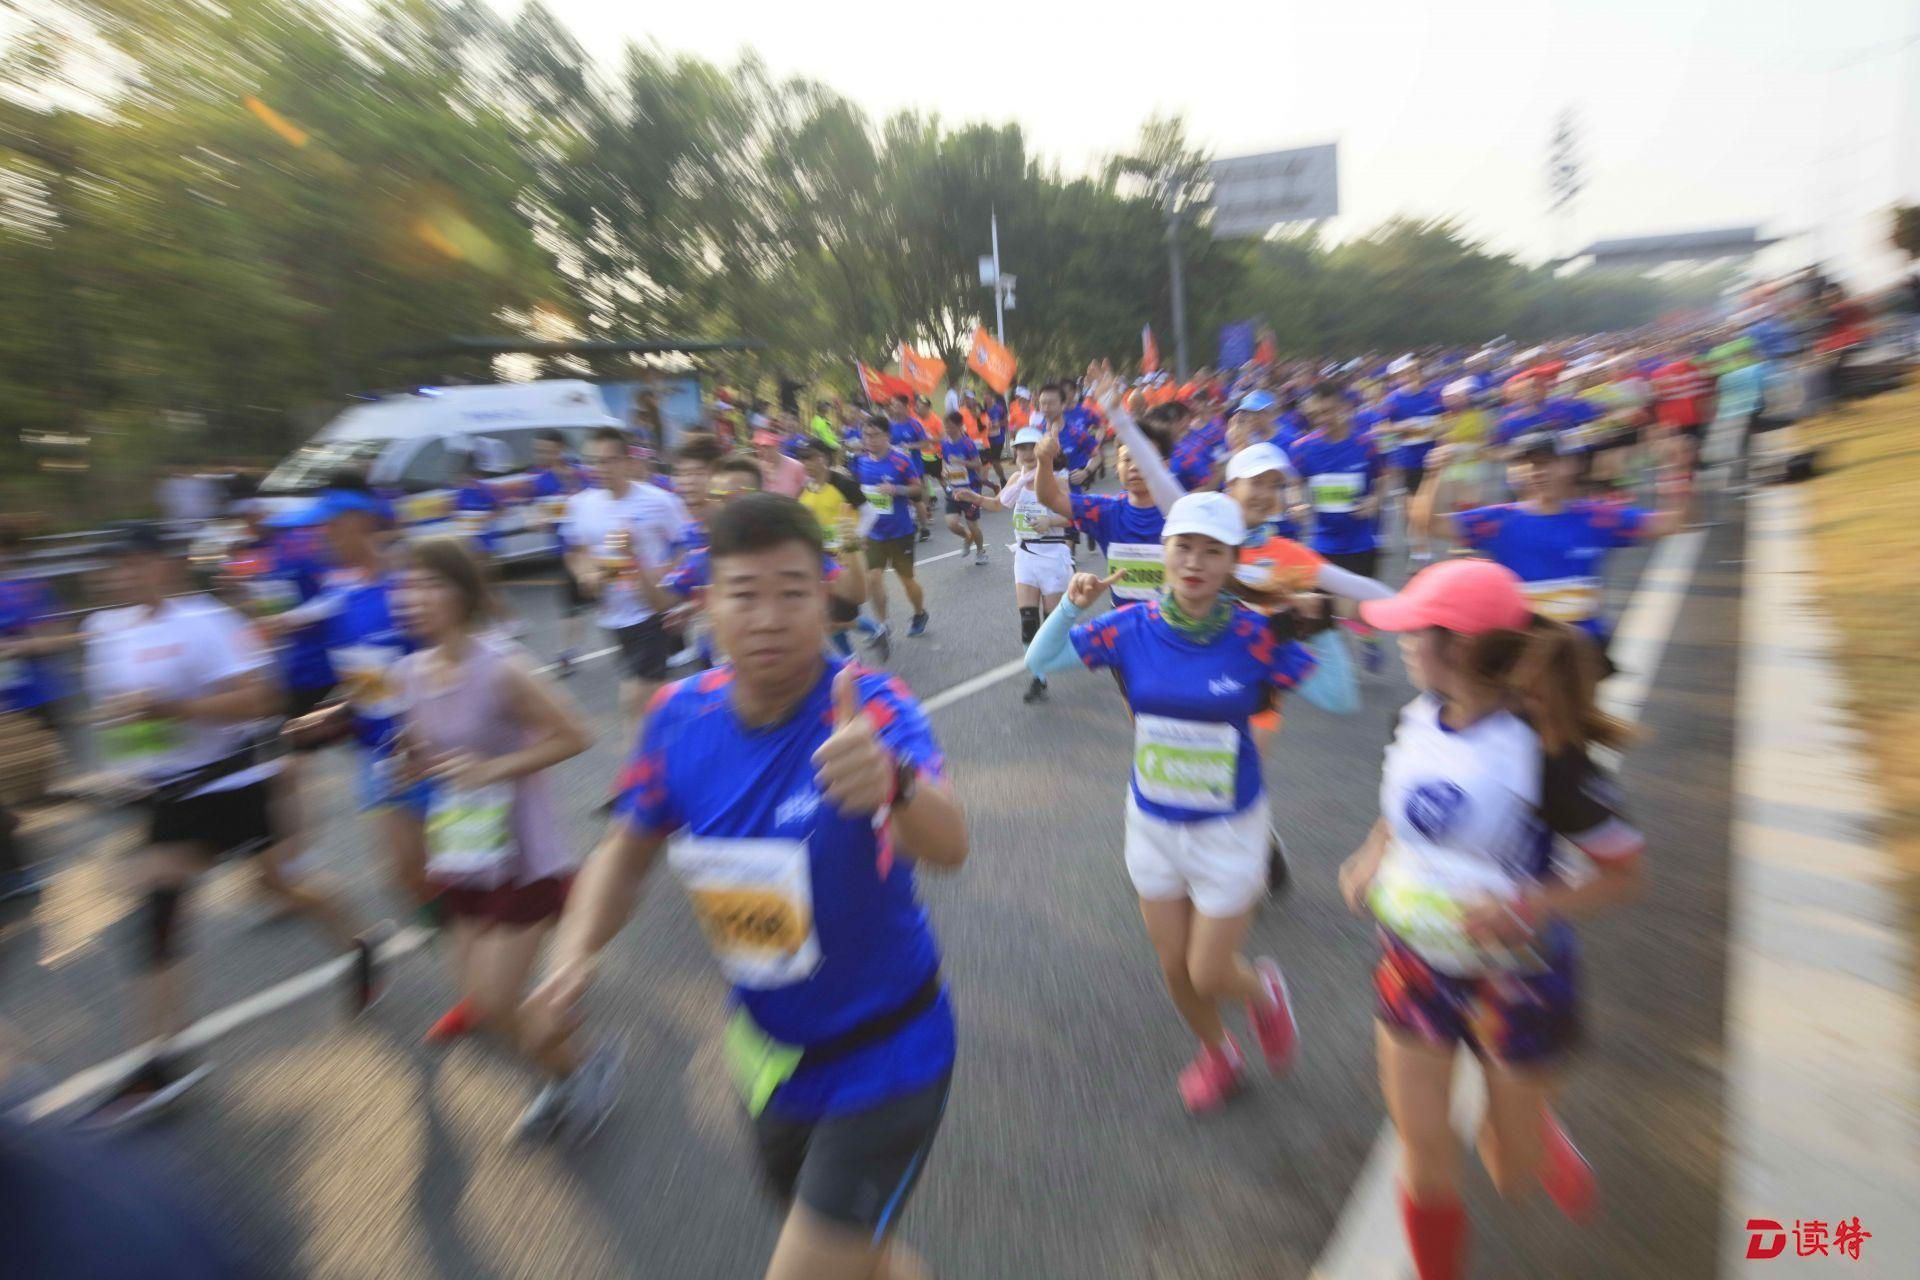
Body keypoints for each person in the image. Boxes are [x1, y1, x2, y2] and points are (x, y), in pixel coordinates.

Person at [522, 493, 967, 1280]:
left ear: (822, 598)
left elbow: (951, 845)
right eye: (744, 594)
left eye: (792, 593)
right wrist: (573, 952)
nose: (768, 618)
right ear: (708, 604)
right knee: (856, 1257)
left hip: (889, 1054)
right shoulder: (675, 716)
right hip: (769, 1059)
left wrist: (893, 782)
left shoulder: (871, 706)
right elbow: (625, 850)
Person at [1336, 558, 1645, 1280]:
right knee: (1423, 1148)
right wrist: (1373, 851)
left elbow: (1625, 873)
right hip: (1414, 964)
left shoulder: (1547, 754)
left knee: (1512, 1172)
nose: (1404, 640)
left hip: (1518, 980)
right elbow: (1405, 806)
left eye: (1418, 629)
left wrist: (1530, 904)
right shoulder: (1412, 719)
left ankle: (1535, 1131)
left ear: (1465, 647)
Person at [76, 524, 376, 1128]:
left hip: (232, 783)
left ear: (164, 565)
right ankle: (160, 1058)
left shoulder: (207, 622)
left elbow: (261, 699)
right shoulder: (106, 632)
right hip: (171, 795)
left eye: (133, 563)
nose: (123, 576)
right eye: (116, 567)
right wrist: (124, 762)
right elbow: (121, 718)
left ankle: (359, 944)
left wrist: (174, 708)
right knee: (168, 910)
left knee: (268, 887)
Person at [1023, 492, 1309, 1112]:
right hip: (1152, 825)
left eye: (1212, 551)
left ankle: (1263, 993)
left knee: (1209, 970)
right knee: (1175, 966)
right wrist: (1070, 608)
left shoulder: (1255, 634)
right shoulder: (1133, 626)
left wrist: (1316, 622)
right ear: (1165, 552)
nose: (1195, 562)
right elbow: (1039, 659)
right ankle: (1219, 1054)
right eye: (1184, 547)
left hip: (1229, 830)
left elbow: (1332, 692)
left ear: (1232, 560)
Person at [386, 538, 612, 1135]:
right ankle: (564, 1066)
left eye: (430, 584)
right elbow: (428, 754)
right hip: (462, 853)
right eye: (408, 586)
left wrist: (493, 769)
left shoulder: (502, 668)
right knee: (481, 1002)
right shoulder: (407, 674)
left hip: (522, 856)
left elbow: (576, 734)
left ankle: (581, 1067)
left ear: (463, 593)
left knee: (495, 997)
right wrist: (410, 766)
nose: (415, 598)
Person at [1409, 432, 1688, 653]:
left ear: (1570, 465)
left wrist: (1677, 470)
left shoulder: (1597, 518)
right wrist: (1434, 474)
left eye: (1545, 463)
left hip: (1580, 651)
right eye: (1527, 464)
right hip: (1521, 649)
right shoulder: (1498, 521)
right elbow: (1429, 524)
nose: (1536, 471)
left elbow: (1672, 522)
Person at [564, 427, 684, 730]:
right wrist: (585, 574)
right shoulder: (581, 504)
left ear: (627, 461)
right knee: (649, 695)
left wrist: (667, 576)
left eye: (608, 461)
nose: (599, 468)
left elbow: (685, 545)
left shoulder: (659, 501)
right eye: (593, 461)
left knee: (635, 696)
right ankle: (666, 742)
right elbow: (577, 551)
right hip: (611, 614)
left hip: (650, 610)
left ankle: (640, 753)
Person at [950, 425, 1073, 704]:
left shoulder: (1057, 480)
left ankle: (1073, 649)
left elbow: (1074, 515)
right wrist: (973, 497)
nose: (1026, 453)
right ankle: (1039, 678)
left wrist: (1050, 521)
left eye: (1031, 448)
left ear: (1042, 452)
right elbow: (998, 504)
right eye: (1021, 448)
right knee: (1028, 621)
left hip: (1053, 555)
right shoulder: (1017, 479)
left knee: (1052, 624)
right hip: (1026, 555)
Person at [1288, 382, 1389, 673]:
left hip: (1361, 541)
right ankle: (1333, 667)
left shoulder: (1366, 444)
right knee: (1323, 608)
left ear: (1345, 408)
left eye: (1329, 411)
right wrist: (1296, 503)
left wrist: (1374, 500)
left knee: (1358, 606)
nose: (1323, 419)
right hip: (1323, 543)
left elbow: (1384, 477)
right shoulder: (1303, 449)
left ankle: (1367, 635)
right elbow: (1294, 483)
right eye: (1316, 414)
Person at [1032, 416, 1167, 610]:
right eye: (1127, 459)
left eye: (1144, 458)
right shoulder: (1106, 510)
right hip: (1122, 622)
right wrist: (1044, 461)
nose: (1134, 466)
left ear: (1164, 465)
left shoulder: (1184, 511)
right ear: (1117, 466)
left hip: (1174, 624)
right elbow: (1050, 498)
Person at [851, 414, 930, 657]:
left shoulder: (901, 460)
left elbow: (918, 490)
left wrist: (896, 489)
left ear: (887, 436)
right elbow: (856, 495)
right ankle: (882, 626)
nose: (869, 440)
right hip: (873, 532)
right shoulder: (860, 462)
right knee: (873, 578)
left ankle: (919, 613)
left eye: (875, 435)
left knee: (907, 581)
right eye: (866, 435)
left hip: (900, 531)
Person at [528, 429, 588, 674]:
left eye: (547, 450)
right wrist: (538, 520)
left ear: (561, 449)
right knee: (569, 603)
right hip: (566, 550)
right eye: (539, 451)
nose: (542, 455)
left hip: (591, 548)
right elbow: (537, 513)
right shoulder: (542, 481)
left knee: (606, 598)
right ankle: (567, 651)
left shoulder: (581, 474)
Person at [937, 412, 989, 565]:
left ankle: (980, 552)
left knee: (973, 525)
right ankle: (967, 537)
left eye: (951, 426)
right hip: (954, 489)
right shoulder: (944, 443)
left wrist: (961, 462)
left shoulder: (968, 443)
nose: (947, 429)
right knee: (951, 523)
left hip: (970, 490)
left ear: (960, 426)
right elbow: (945, 461)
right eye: (946, 426)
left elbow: (978, 464)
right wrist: (944, 470)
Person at [755, 428, 809, 498]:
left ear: (777, 446)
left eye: (767, 447)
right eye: (758, 447)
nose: (762, 451)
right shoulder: (758, 469)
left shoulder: (796, 467)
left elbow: (806, 489)